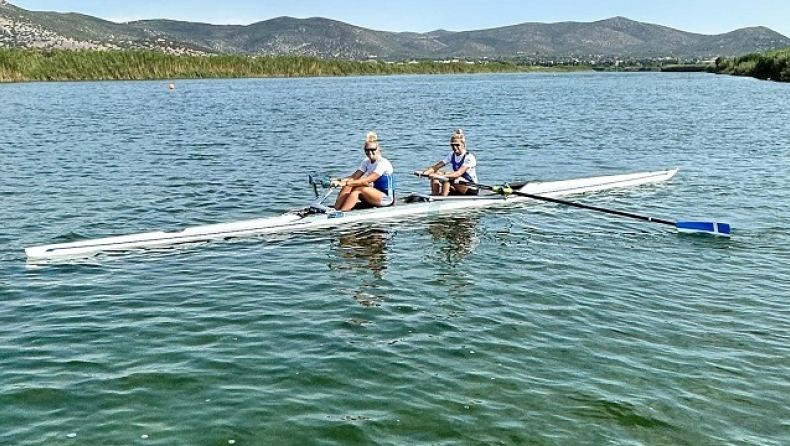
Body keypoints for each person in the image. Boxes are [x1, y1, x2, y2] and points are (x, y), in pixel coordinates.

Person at [331, 132, 395, 212]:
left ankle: (343, 212)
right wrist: (338, 181)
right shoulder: (366, 161)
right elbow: (353, 177)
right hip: (374, 195)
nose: (370, 152)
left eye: (373, 149)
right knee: (348, 186)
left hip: (386, 199)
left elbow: (367, 180)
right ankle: (335, 209)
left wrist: (345, 183)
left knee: (358, 188)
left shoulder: (383, 163)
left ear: (378, 149)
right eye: (367, 150)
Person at [419, 129, 478, 196]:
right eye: (452, 145)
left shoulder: (469, 157)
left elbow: (457, 174)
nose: (454, 147)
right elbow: (436, 167)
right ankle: (434, 196)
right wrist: (426, 172)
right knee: (435, 173)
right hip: (458, 184)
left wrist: (440, 176)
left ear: (463, 145)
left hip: (470, 188)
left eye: (457, 145)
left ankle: (443, 199)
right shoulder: (452, 155)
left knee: (446, 177)